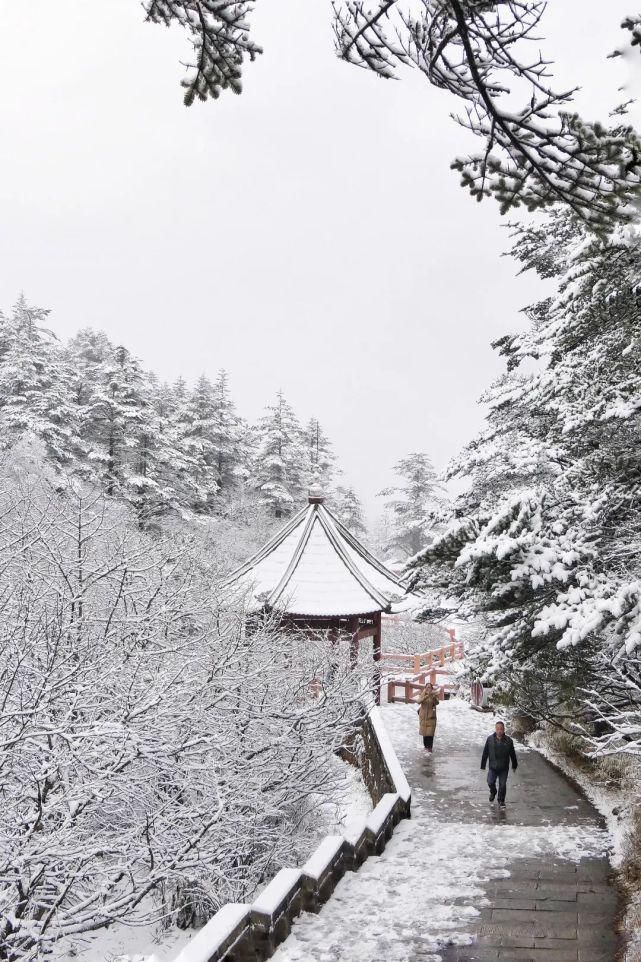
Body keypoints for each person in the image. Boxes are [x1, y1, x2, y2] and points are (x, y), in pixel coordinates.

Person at [480, 720, 518, 808]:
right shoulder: (490, 739)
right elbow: (485, 752)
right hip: (493, 767)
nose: (499, 731)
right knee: (490, 782)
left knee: (503, 785)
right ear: (495, 729)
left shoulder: (509, 741)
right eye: (498, 729)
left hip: (504, 768)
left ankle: (501, 800)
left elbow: (512, 754)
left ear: (504, 729)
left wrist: (514, 765)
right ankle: (493, 792)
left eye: (501, 729)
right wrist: (483, 765)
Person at [418, 682, 439, 753]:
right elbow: (418, 701)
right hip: (423, 717)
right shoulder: (423, 694)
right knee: (425, 733)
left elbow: (437, 703)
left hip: (431, 717)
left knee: (430, 734)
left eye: (429, 687)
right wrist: (426, 696)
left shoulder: (434, 695)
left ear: (432, 688)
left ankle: (430, 747)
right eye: (427, 687)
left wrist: (433, 697)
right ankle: (425, 746)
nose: (428, 688)